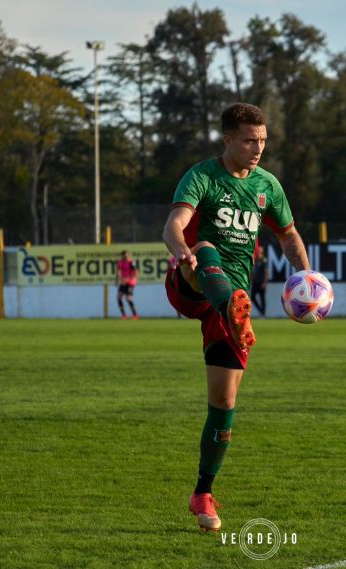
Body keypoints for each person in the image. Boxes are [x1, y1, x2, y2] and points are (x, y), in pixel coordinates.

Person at [162, 102, 310, 532]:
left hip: (233, 305)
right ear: (227, 139)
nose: (257, 148)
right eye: (249, 140)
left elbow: (289, 235)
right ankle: (230, 302)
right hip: (192, 281)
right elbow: (174, 224)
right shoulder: (203, 176)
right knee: (204, 248)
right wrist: (181, 250)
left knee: (223, 404)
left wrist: (306, 277)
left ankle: (202, 493)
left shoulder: (268, 186)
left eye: (262, 140)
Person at [116, 250, 139, 320]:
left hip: (130, 282)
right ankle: (124, 315)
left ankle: (135, 315)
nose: (125, 257)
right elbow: (118, 272)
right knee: (119, 297)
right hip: (123, 282)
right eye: (124, 255)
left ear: (128, 255)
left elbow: (136, 273)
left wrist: (128, 279)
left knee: (128, 298)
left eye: (127, 255)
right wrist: (117, 280)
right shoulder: (120, 262)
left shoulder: (131, 262)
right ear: (122, 256)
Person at [250, 244, 269, 316]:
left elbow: (266, 272)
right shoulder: (255, 260)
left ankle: (263, 313)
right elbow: (252, 271)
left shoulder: (264, 260)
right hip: (255, 282)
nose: (258, 253)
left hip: (261, 282)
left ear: (262, 252)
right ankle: (260, 310)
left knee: (262, 298)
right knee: (252, 297)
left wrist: (264, 282)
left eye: (259, 251)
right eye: (257, 251)